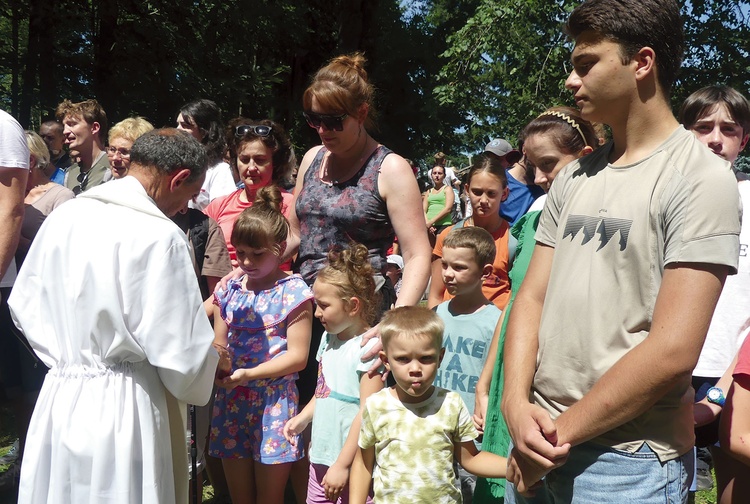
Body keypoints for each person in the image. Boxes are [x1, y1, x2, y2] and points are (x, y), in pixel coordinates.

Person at [501, 0, 741, 502]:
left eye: (586, 63)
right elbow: (530, 299)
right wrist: (514, 405)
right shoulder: (573, 177)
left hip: (628, 463)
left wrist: (555, 436)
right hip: (539, 439)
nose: (570, 80)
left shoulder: (701, 180)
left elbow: (674, 351)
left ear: (642, 63)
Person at [7, 128, 220, 503]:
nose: (180, 208)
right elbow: (181, 354)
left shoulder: (64, 217)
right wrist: (213, 363)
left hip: (59, 396)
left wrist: (65, 357)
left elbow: (23, 306)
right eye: (186, 196)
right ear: (179, 178)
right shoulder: (160, 235)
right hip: (127, 407)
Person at [472, 106, 598, 504]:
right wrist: (487, 377)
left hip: (555, 377)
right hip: (515, 363)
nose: (540, 179)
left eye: (549, 165)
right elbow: (516, 303)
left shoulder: (597, 222)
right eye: (534, 165)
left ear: (585, 156)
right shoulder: (535, 214)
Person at [290, 52, 431, 403]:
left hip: (361, 322)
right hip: (307, 314)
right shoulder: (312, 158)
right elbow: (294, 235)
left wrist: (394, 322)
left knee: (355, 424)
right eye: (313, 119)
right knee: (304, 422)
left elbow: (416, 254)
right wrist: (246, 271)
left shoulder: (391, 168)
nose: (322, 130)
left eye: (334, 121)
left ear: (362, 114)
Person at [209, 185, 314, 504]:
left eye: (257, 254)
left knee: (270, 498)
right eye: (240, 253)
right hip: (231, 402)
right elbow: (216, 339)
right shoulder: (231, 289)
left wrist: (248, 375)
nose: (246, 262)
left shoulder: (294, 291)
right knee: (239, 497)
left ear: (280, 248)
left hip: (273, 405)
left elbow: (298, 358)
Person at [349, 306, 507, 503]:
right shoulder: (376, 406)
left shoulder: (451, 404)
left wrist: (515, 467)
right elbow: (363, 463)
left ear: (440, 358)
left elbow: (471, 459)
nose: (415, 368)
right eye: (403, 359)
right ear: (386, 361)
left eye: (426, 358)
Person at [679, 85, 750, 501]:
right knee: (669, 486)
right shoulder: (664, 194)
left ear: (745, 139)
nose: (715, 139)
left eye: (729, 128)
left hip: (737, 368)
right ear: (685, 133)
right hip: (674, 366)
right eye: (703, 127)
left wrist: (727, 384)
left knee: (734, 489)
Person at [282, 243, 384, 504]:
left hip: (353, 463)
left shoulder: (368, 348)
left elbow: (367, 412)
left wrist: (341, 464)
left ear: (352, 305)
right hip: (320, 458)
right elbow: (323, 390)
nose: (316, 313)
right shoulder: (328, 339)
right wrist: (303, 419)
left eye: (323, 306)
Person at [434, 226, 503, 504]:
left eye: (459, 267)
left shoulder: (495, 322)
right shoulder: (436, 315)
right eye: (445, 265)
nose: (448, 274)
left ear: (485, 273)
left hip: (471, 440)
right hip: (435, 431)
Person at [205, 119, 295, 268]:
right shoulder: (218, 206)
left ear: (275, 163)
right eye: (244, 159)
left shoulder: (290, 204)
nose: (251, 167)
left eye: (260, 160)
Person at [428, 154, 512, 310]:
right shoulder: (447, 235)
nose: (484, 200)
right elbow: (435, 294)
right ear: (467, 190)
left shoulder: (513, 240)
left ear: (504, 194)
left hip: (493, 329)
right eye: (477, 192)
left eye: (491, 193)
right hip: (451, 326)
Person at [176, 98, 236, 210]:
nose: (177, 129)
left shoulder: (219, 170)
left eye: (185, 126)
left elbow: (222, 213)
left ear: (204, 132)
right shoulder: (173, 166)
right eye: (178, 124)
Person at [57, 99, 109, 194]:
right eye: (64, 126)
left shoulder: (114, 169)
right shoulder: (70, 173)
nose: (65, 131)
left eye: (72, 124)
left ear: (94, 128)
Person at [423, 164, 455, 246]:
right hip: (429, 226)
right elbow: (423, 210)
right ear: (431, 175)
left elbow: (448, 208)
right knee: (429, 254)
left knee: (439, 254)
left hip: (443, 225)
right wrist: (428, 224)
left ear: (444, 176)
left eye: (440, 173)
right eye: (435, 173)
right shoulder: (428, 191)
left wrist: (432, 222)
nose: (437, 176)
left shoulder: (447, 189)